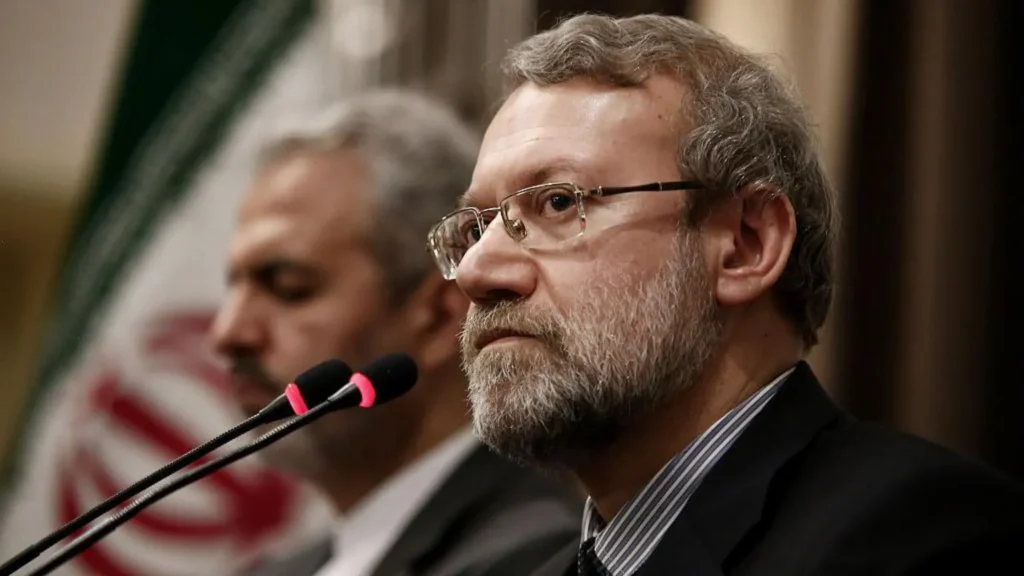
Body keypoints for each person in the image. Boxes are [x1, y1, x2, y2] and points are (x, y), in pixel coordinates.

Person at [426, 13, 1024, 576]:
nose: (477, 271)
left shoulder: (919, 538)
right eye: (477, 228)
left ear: (746, 244)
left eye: (559, 202)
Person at [211, 89, 581, 576]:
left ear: (440, 315)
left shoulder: (534, 557)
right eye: (234, 287)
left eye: (289, 287)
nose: (228, 332)